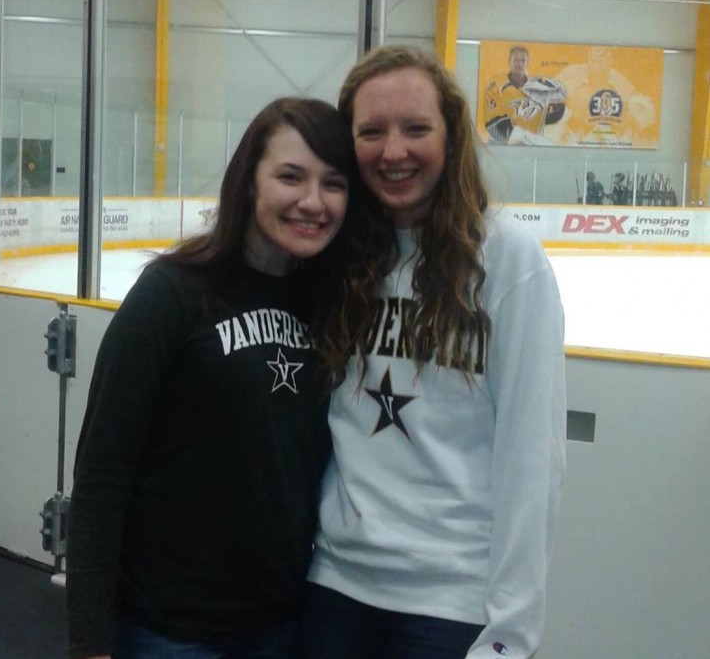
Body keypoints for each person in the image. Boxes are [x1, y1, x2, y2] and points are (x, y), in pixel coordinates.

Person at [296, 45, 567, 659]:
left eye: (416, 128)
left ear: (451, 136)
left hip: (450, 606)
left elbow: (532, 457)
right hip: (334, 590)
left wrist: (510, 633)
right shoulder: (336, 256)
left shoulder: (507, 260)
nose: (394, 151)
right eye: (372, 132)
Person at [66, 97, 361, 659]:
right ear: (249, 181)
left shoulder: (331, 306)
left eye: (334, 183)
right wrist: (89, 640)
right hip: (166, 631)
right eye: (290, 177)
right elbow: (103, 472)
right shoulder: (171, 294)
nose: (312, 202)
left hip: (282, 626)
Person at [483, 44, 567, 146]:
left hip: (532, 149)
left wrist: (558, 106)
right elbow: (493, 124)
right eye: (516, 60)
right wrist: (520, 137)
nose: (519, 64)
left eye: (523, 61)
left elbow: (548, 119)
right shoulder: (497, 82)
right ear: (509, 61)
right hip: (503, 147)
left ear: (527, 63)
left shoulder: (538, 87)